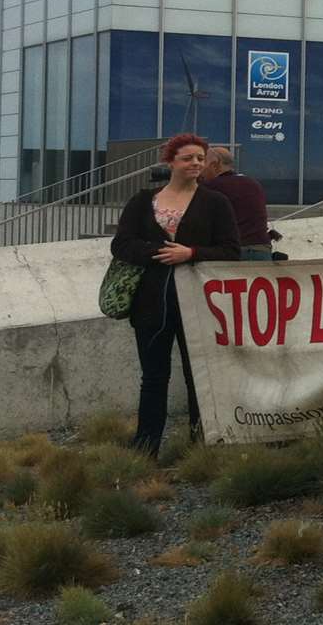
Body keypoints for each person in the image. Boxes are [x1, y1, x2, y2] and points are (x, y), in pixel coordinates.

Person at [111, 133, 240, 455]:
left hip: (199, 303)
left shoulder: (215, 203)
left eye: (200, 158)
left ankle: (202, 444)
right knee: (154, 377)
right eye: (188, 158)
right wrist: (159, 251)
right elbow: (121, 244)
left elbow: (231, 250)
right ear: (170, 162)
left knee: (198, 375)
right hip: (150, 302)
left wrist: (191, 252)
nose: (195, 163)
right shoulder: (143, 201)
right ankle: (146, 446)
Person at [201, 147, 278, 261]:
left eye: (203, 162)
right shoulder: (253, 183)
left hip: (233, 252)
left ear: (214, 165)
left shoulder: (210, 187)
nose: (200, 169)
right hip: (262, 250)